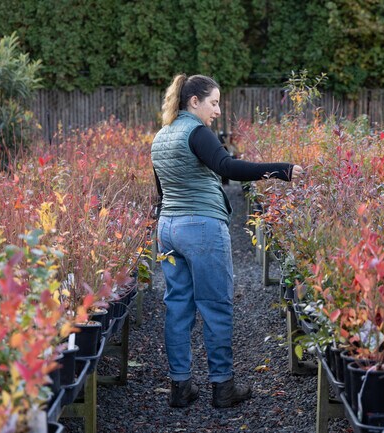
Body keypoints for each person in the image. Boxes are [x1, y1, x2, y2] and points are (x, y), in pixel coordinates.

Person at [151, 74, 303, 409]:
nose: (217, 110)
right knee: (216, 305)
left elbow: (162, 191)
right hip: (201, 226)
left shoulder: (161, 136)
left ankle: (180, 388)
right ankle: (222, 387)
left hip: (168, 227)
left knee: (177, 307)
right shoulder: (196, 131)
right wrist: (283, 170)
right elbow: (227, 167)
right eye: (214, 102)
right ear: (194, 101)